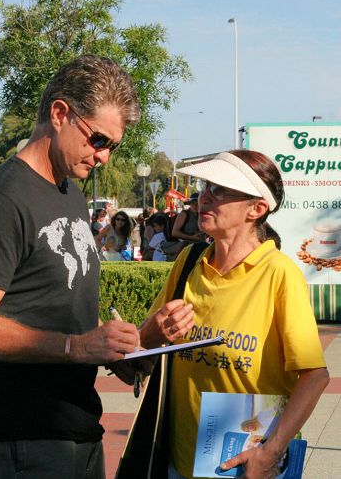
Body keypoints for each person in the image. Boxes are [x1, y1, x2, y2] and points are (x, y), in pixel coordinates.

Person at [0, 55, 148, 479]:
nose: (105, 157)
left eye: (113, 146)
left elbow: (57, 298)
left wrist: (111, 350)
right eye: (99, 140)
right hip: (19, 443)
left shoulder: (68, 192)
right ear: (60, 114)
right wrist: (77, 348)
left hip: (73, 430)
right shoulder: (0, 202)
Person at [139, 150, 329, 479]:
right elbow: (146, 340)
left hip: (248, 467)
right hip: (180, 463)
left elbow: (315, 377)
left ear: (256, 209)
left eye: (220, 191)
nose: (203, 199)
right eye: (205, 187)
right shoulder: (188, 261)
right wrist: (154, 331)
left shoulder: (279, 274)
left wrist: (270, 453)